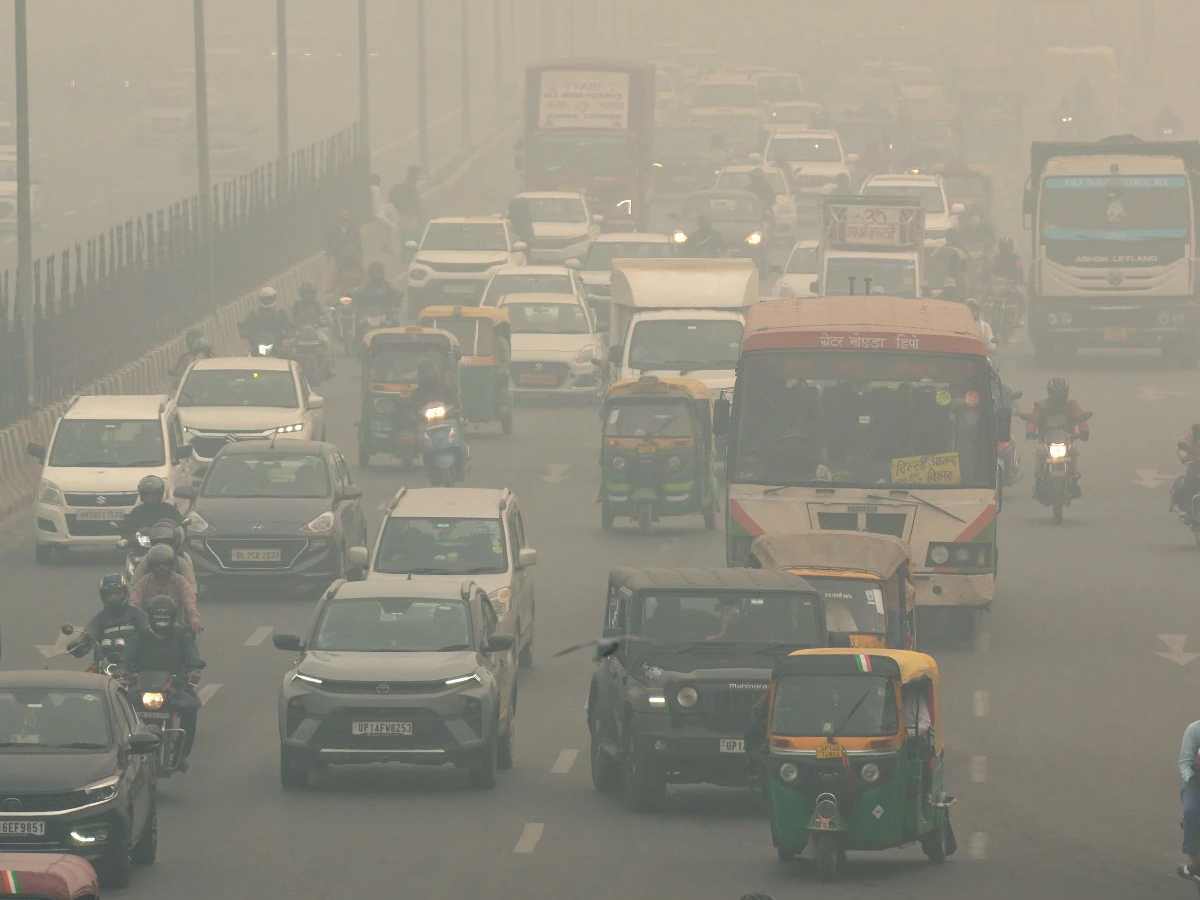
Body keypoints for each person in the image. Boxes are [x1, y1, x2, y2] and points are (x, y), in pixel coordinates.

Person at [137, 594, 204, 770]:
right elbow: (128, 657)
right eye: (157, 617)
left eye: (165, 617)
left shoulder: (183, 634)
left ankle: (181, 755)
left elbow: (192, 655)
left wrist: (195, 666)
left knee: (191, 708)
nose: (161, 622)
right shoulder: (140, 635)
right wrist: (124, 670)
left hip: (175, 686)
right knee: (120, 704)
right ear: (149, 617)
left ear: (173, 617)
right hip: (141, 687)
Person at [72, 575, 152, 672]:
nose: (113, 597)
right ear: (103, 597)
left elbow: (151, 634)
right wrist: (77, 645)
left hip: (136, 667)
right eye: (108, 594)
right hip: (104, 667)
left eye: (117, 593)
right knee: (83, 682)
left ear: (126, 593)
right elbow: (88, 634)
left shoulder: (137, 615)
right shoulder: (99, 619)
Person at [130, 544, 200, 635]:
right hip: (148, 624)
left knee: (188, 640)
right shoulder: (144, 581)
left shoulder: (180, 581)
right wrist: (132, 617)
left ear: (171, 565)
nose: (161, 568)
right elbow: (134, 599)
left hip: (175, 622)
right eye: (157, 565)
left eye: (165, 564)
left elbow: (189, 599)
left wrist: (194, 618)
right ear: (151, 566)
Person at [131, 522, 197, 590]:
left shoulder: (183, 559)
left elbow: (191, 585)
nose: (162, 544)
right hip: (151, 596)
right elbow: (135, 584)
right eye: (158, 541)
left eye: (166, 541)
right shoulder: (147, 559)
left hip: (177, 596)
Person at [121, 475, 183, 544]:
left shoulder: (169, 509)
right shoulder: (137, 511)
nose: (150, 497)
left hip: (167, 545)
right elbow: (128, 532)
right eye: (147, 494)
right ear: (142, 495)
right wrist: (128, 540)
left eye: (154, 494)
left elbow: (180, 525)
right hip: (142, 548)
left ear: (160, 494)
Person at [239, 286, 292, 353]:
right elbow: (245, 326)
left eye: (270, 298)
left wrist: (287, 334)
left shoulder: (280, 313)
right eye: (265, 299)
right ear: (261, 299)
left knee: (288, 357)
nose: (268, 301)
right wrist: (245, 332)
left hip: (277, 345)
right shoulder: (254, 314)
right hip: (258, 345)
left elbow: (289, 326)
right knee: (247, 357)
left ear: (274, 298)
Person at [1180, 719, 1200, 883]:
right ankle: (1194, 865)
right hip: (1196, 783)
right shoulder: (1194, 730)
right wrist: (1192, 780)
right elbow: (1185, 763)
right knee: (1191, 812)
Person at [389, 165, 424, 245]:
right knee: (411, 241)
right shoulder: (411, 188)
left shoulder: (399, 188)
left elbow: (391, 201)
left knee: (405, 241)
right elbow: (417, 205)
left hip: (402, 217)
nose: (417, 179)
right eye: (417, 176)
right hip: (409, 218)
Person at [1171, 425, 1200, 517]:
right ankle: (1183, 506)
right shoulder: (1190, 438)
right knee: (1188, 482)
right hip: (1194, 465)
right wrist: (1185, 458)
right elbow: (1181, 447)